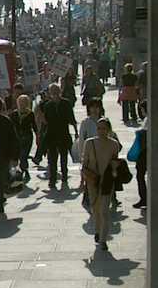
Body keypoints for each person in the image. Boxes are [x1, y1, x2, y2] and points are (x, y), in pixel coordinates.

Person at [81, 118, 122, 251]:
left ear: (109, 130)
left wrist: (115, 168)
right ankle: (98, 231)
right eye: (99, 128)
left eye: (104, 128)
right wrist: (83, 180)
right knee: (95, 209)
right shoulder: (89, 143)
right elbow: (84, 163)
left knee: (104, 210)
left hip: (107, 181)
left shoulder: (114, 144)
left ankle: (103, 239)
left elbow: (115, 162)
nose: (101, 131)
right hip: (92, 180)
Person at [41, 83, 77, 189]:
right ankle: (52, 179)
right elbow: (45, 121)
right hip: (51, 134)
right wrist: (41, 131)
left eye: (56, 91)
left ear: (60, 91)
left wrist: (75, 131)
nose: (54, 93)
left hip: (63, 133)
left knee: (64, 157)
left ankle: (64, 176)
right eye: (52, 92)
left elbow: (71, 117)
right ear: (50, 93)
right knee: (52, 159)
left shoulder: (66, 103)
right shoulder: (47, 105)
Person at [10, 94, 37, 183]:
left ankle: (24, 170)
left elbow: (34, 126)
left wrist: (38, 136)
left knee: (23, 155)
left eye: (24, 102)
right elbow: (10, 126)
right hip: (16, 138)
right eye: (21, 102)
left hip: (27, 137)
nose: (22, 104)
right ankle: (23, 170)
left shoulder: (30, 114)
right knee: (17, 156)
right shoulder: (14, 114)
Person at [134, 100, 148, 209]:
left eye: (142, 109)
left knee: (140, 176)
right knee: (141, 176)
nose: (141, 112)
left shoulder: (148, 120)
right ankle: (144, 198)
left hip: (144, 152)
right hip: (145, 152)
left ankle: (144, 198)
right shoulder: (146, 120)